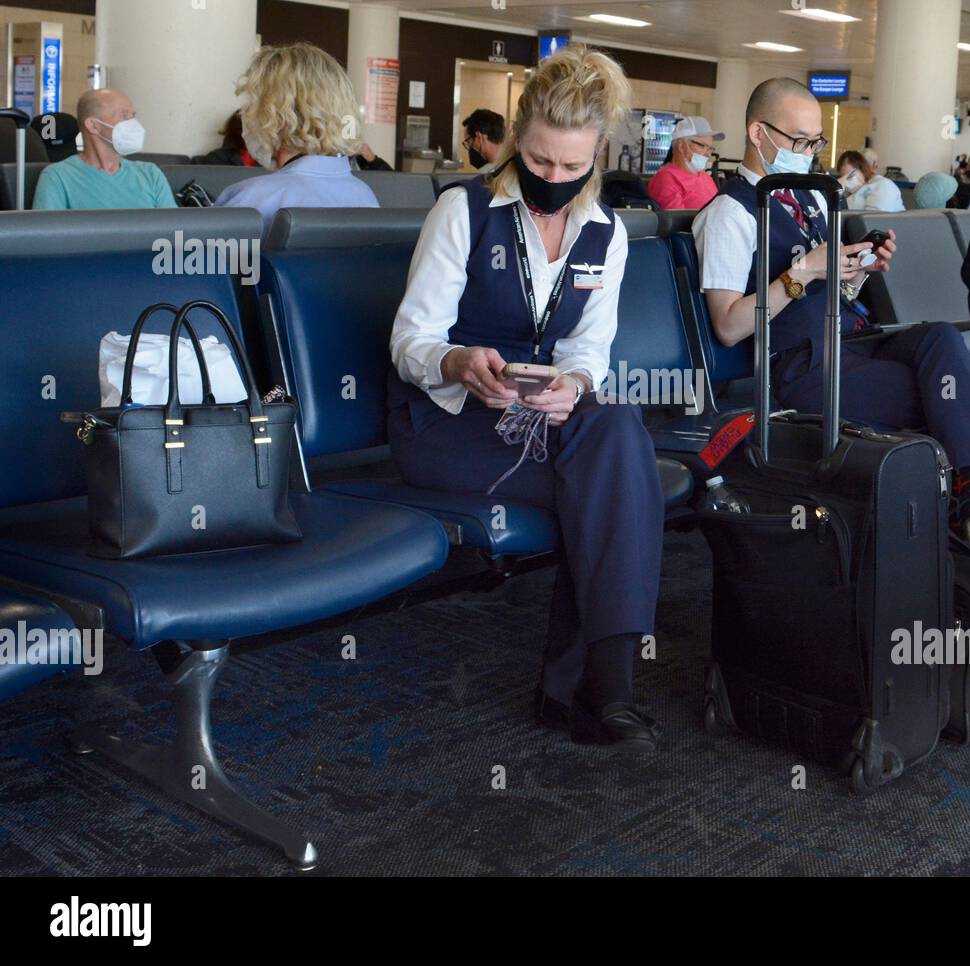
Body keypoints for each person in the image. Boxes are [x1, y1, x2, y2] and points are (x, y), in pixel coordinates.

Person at [389, 45, 663, 750]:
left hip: (536, 419)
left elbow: (587, 353)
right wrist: (456, 359)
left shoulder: (605, 233)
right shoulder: (464, 212)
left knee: (612, 429)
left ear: (597, 152)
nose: (554, 178)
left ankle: (589, 688)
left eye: (573, 167)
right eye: (540, 161)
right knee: (610, 479)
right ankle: (602, 688)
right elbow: (411, 340)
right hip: (448, 423)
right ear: (517, 139)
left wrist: (571, 384)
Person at [692, 76, 970, 550]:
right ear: (758, 133)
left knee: (942, 336)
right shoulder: (729, 215)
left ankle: (969, 523)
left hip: (851, 340)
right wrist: (801, 273)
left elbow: (832, 286)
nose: (808, 151)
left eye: (814, 141)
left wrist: (858, 269)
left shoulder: (811, 198)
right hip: (801, 366)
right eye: (798, 140)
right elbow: (730, 326)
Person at [213, 42, 378, 231]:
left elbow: (199, 259)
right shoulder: (365, 196)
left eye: (254, 104)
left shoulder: (251, 199)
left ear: (277, 117)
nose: (247, 114)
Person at [32, 89, 175, 210]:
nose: (133, 124)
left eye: (133, 116)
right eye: (124, 116)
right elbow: (47, 239)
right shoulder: (57, 177)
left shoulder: (150, 174)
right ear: (94, 126)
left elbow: (175, 231)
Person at [646, 115, 723, 209]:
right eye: (703, 146)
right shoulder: (666, 179)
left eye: (710, 148)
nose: (708, 154)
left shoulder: (706, 178)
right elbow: (676, 222)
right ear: (681, 146)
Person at [835, 148, 904, 213]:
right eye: (843, 177)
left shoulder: (883, 185)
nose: (846, 182)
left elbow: (874, 220)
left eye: (850, 176)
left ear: (863, 168)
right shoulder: (852, 190)